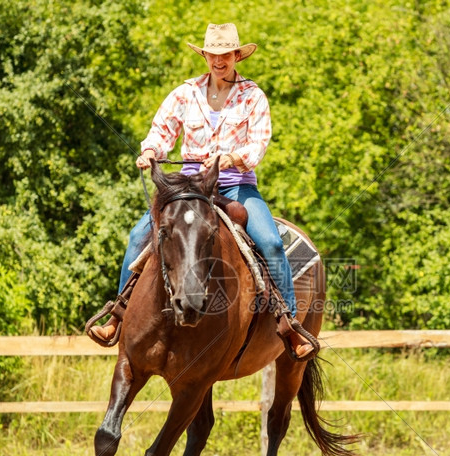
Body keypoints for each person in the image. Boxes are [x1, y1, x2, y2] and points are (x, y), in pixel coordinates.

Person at [89, 22, 314, 359]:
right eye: (213, 54)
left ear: (237, 55)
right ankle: (118, 317)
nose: (218, 60)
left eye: (225, 54)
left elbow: (258, 145)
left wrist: (231, 158)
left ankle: (290, 325)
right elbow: (161, 130)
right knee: (139, 236)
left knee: (269, 241)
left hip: (236, 184)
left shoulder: (253, 96)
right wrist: (151, 151)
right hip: (189, 185)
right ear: (205, 55)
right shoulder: (185, 93)